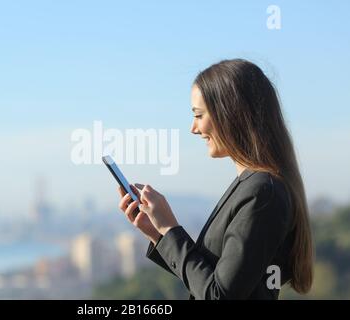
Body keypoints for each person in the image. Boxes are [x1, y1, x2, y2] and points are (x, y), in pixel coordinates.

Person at [117, 59, 313, 299]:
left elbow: (218, 295)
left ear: (230, 114)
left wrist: (169, 228)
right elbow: (210, 277)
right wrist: (158, 235)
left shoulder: (263, 192)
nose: (193, 128)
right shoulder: (251, 185)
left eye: (198, 115)